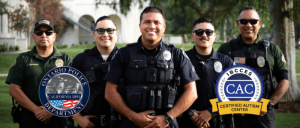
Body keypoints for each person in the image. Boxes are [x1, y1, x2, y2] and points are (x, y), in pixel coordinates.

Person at [104, 6, 199, 128]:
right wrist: (132, 116)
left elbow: (192, 92)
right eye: (147, 22)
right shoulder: (124, 54)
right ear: (140, 26)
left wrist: (167, 117)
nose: (152, 26)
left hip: (167, 124)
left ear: (164, 27)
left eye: (157, 22)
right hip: (131, 123)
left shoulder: (177, 54)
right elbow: (110, 92)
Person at [217, 6, 289, 128]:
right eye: (244, 21)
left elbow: (284, 81)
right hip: (233, 115)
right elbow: (215, 80)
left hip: (264, 115)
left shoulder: (271, 49)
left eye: (253, 21)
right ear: (238, 23)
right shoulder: (225, 49)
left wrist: (269, 104)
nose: (248, 25)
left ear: (259, 23)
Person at [6, 19, 72, 128]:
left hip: (59, 118)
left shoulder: (65, 59)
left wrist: (51, 110)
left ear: (54, 36)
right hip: (30, 117)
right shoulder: (23, 59)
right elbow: (14, 90)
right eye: (39, 32)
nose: (44, 35)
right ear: (34, 37)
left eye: (48, 32)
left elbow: (75, 89)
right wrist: (36, 110)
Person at [177, 18, 234, 128]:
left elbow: (233, 95)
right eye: (199, 32)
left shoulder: (226, 62)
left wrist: (210, 112)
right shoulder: (182, 59)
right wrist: (190, 112)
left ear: (214, 35)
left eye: (209, 32)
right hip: (186, 122)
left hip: (218, 122)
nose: (204, 35)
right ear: (192, 36)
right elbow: (174, 90)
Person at [69, 16, 119, 128]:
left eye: (110, 30)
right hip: (89, 124)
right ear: (94, 33)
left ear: (116, 33)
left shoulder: (125, 59)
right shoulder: (81, 60)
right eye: (100, 31)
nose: (105, 34)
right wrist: (78, 118)